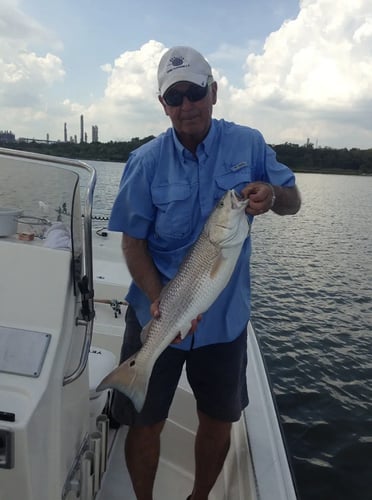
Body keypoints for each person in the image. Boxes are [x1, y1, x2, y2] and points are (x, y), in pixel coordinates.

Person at [108, 45, 301, 500]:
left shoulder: (247, 144)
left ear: (213, 92)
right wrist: (160, 300)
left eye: (194, 92)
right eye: (174, 98)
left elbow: (292, 200)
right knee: (144, 420)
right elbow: (132, 244)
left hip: (224, 319)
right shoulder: (145, 162)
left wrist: (272, 194)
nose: (186, 106)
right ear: (163, 105)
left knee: (219, 418)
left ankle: (199, 498)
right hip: (157, 311)